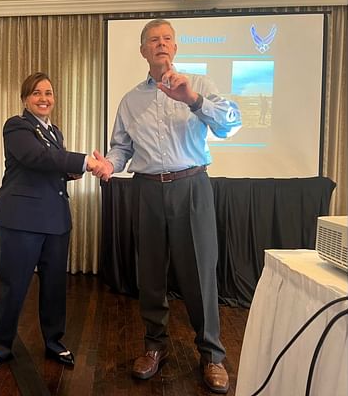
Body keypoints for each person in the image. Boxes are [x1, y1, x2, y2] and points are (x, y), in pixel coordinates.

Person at [90, 19, 242, 393]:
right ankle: (154, 346)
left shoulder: (200, 85)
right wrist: (110, 164)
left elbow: (232, 125)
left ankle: (212, 355)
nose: (161, 44)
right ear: (143, 51)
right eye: (153, 40)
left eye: (167, 39)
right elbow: (122, 147)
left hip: (191, 186)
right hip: (147, 190)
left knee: (200, 274)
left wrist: (193, 100)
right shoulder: (130, 100)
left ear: (175, 47)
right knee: (151, 274)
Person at [0, 72, 106, 372]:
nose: (44, 98)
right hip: (21, 220)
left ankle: (54, 342)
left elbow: (50, 165)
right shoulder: (16, 126)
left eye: (49, 93)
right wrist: (84, 162)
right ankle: (0, 345)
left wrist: (70, 173)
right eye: (37, 93)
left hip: (55, 219)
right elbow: (35, 158)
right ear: (26, 98)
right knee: (15, 286)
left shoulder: (56, 131)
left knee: (54, 287)